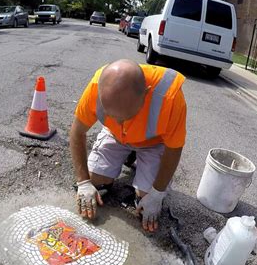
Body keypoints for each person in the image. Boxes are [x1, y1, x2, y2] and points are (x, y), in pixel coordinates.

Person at [69, 59, 187, 232]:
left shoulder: (171, 97)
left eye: (126, 117)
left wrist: (157, 193)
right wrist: (84, 182)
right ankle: (128, 155)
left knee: (146, 204)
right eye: (112, 115)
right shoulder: (97, 87)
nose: (119, 121)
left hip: (153, 144)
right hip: (114, 136)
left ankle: (138, 161)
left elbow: (174, 149)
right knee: (95, 182)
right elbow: (77, 132)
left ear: (146, 94)